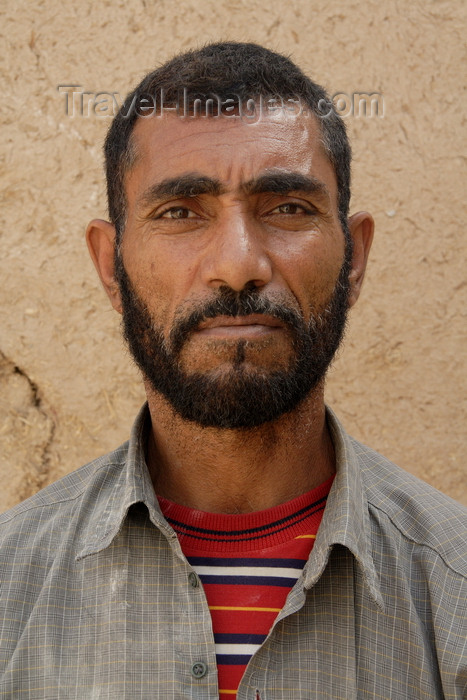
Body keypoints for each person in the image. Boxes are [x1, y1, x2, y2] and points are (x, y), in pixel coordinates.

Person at [0, 42, 465, 700]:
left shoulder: (453, 592)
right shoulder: (10, 589)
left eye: (287, 208)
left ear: (353, 261)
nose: (238, 263)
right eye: (180, 213)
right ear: (111, 267)